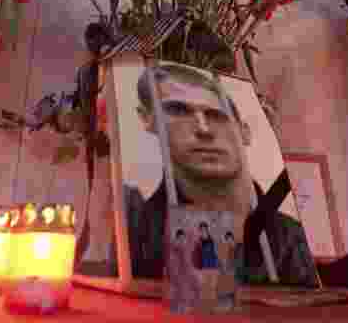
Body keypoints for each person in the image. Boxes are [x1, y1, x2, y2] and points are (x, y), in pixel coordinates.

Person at [125, 63, 318, 287]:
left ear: (244, 131)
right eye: (178, 111)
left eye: (216, 115)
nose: (203, 129)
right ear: (148, 120)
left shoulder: (292, 237)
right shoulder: (137, 232)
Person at [167, 228, 198, 313]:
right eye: (181, 238)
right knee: (180, 289)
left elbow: (187, 260)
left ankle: (180, 306)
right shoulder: (179, 246)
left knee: (183, 288)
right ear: (178, 238)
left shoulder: (183, 246)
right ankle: (179, 306)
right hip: (179, 272)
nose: (182, 240)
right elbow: (184, 260)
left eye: (183, 238)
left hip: (182, 271)